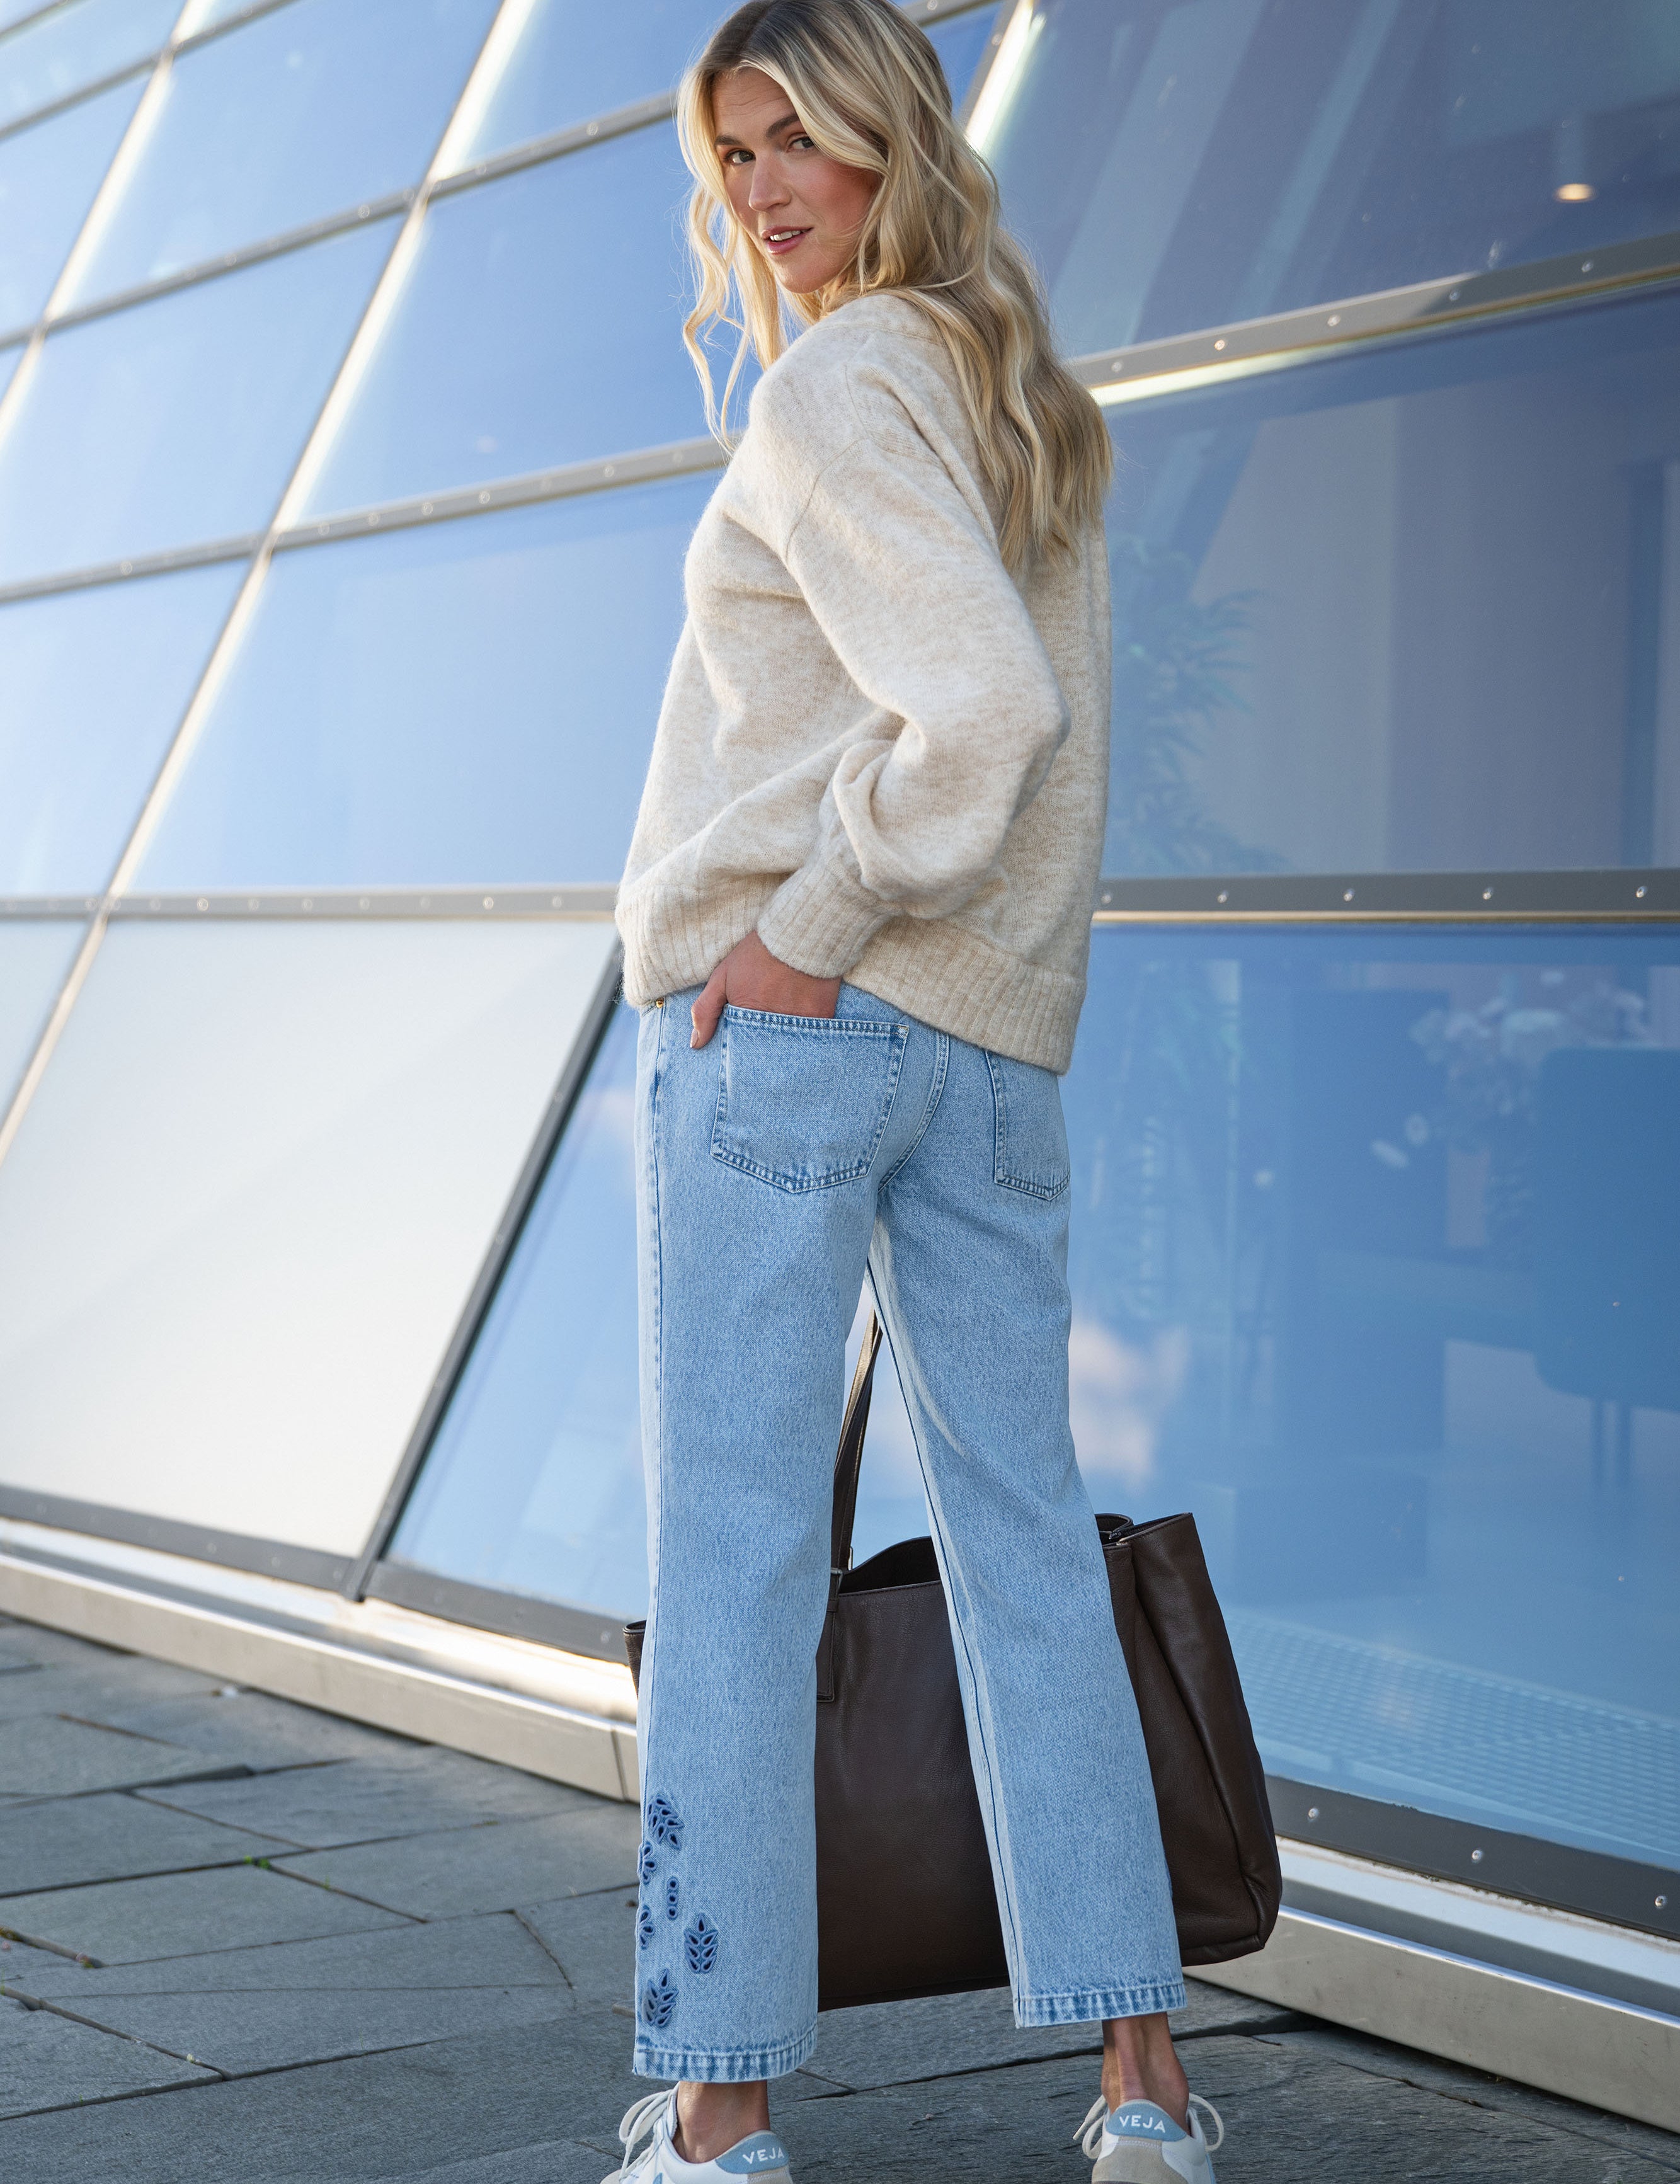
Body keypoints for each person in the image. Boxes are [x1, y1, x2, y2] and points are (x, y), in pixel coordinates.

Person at [607, 4, 1223, 2178]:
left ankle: (714, 2116)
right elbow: (1029, 717)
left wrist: (800, 921)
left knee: (740, 1566)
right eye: (736, 151)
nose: (765, 189)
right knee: (1027, 1549)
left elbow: (976, 711)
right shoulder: (1005, 385)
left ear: (892, 142)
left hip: (805, 1014)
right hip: (989, 1044)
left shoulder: (843, 376)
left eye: (802, 141)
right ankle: (1140, 2095)